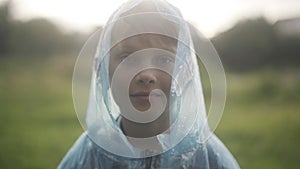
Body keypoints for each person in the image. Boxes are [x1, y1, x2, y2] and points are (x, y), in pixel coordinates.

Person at [58, 0, 241, 168]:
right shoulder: (87, 157)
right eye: (127, 57)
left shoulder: (209, 157)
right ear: (103, 71)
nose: (145, 75)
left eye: (163, 59)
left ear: (184, 72)